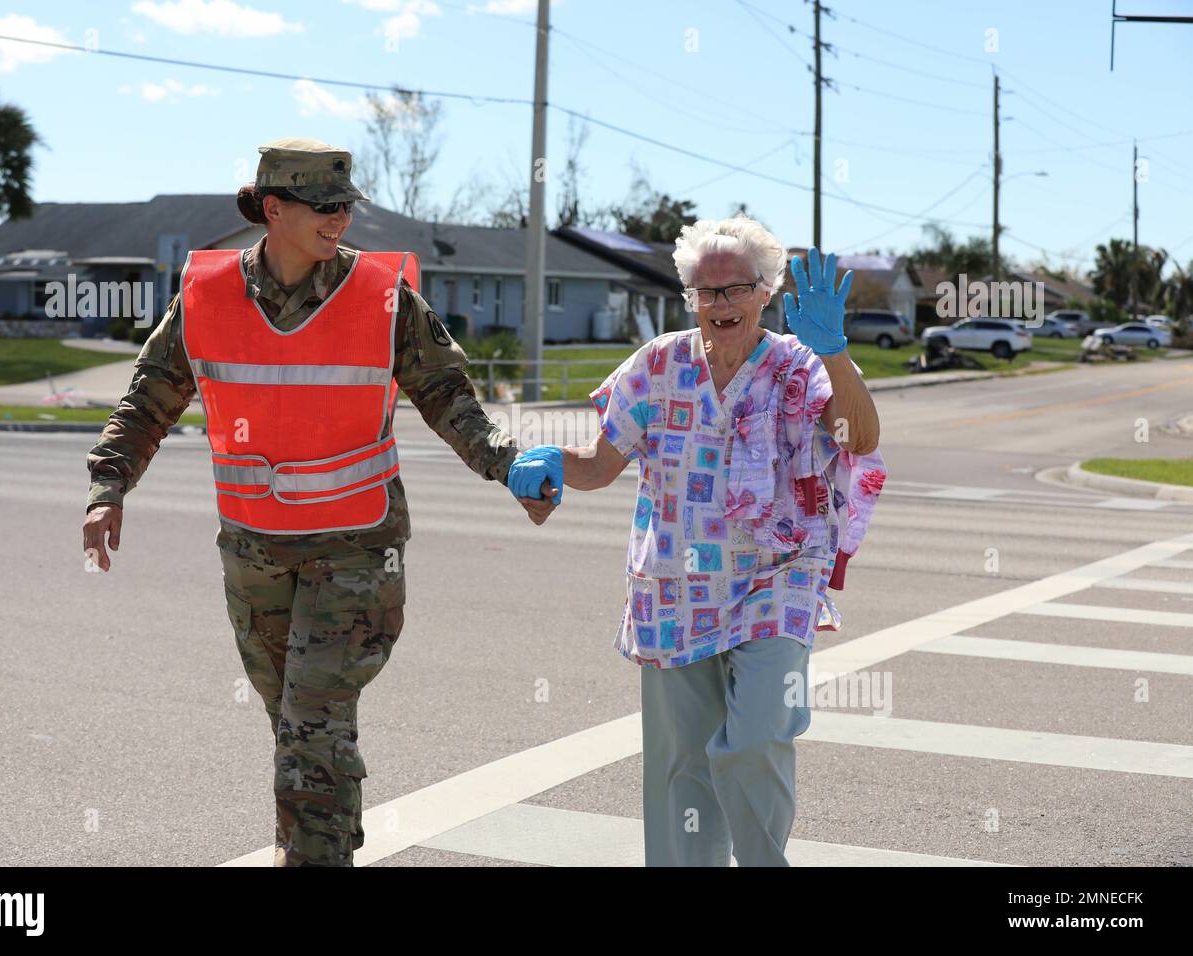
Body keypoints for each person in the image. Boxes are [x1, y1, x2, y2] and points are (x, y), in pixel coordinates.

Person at [81, 138, 562, 867]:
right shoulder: (206, 298)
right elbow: (147, 400)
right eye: (325, 207)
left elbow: (450, 400)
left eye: (347, 206)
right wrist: (108, 485)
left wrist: (507, 465)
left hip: (357, 549)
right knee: (294, 724)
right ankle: (308, 840)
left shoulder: (384, 297)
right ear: (273, 210)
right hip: (254, 552)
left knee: (314, 721)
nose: (341, 219)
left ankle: (313, 855)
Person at [541, 214, 887, 866]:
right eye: (708, 290)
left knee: (757, 736)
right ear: (691, 295)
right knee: (681, 769)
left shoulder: (799, 366)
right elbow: (599, 463)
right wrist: (539, 463)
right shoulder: (657, 365)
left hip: (776, 577)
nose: (722, 303)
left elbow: (859, 438)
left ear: (767, 292)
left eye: (738, 288)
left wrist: (835, 350)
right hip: (674, 585)